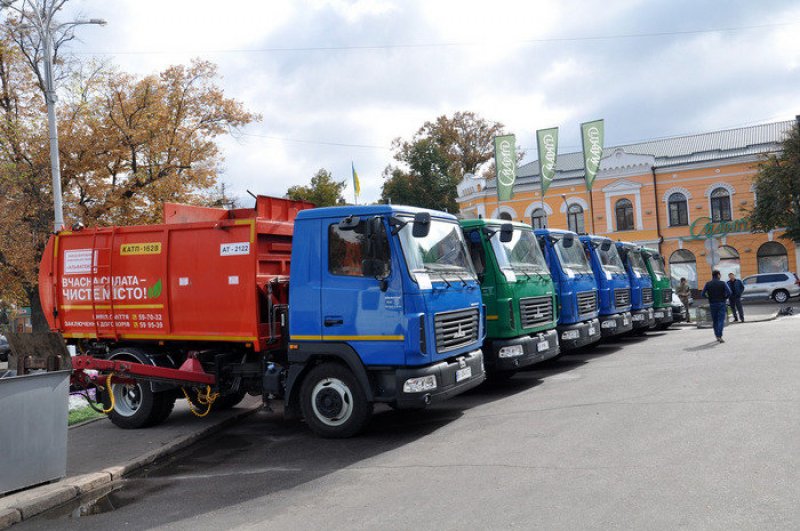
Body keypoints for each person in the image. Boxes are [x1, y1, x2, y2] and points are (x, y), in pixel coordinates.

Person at [701, 270, 732, 343]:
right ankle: (719, 335)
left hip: (712, 304)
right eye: (720, 274)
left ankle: (717, 335)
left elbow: (702, 294)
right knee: (721, 320)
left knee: (715, 321)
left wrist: (708, 297)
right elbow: (729, 292)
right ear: (718, 275)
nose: (720, 276)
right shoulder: (723, 283)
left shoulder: (708, 284)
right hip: (721, 303)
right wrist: (725, 297)